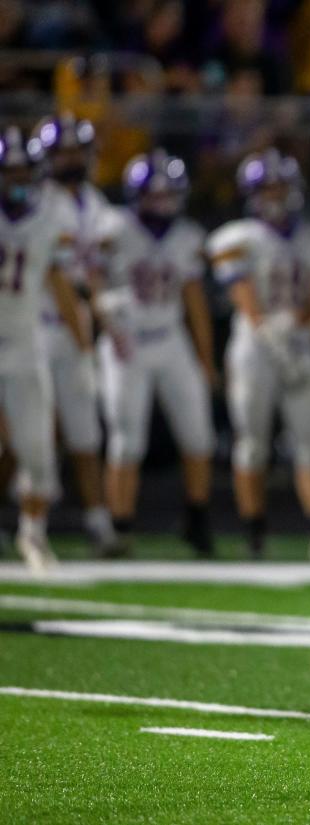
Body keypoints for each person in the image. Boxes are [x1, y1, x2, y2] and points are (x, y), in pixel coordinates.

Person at [207, 148, 310, 561]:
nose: (274, 194)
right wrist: (270, 331)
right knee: (251, 442)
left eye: (280, 186)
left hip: (299, 340)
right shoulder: (237, 237)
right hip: (255, 345)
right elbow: (244, 298)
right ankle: (254, 530)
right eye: (266, 187)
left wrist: (300, 325)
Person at [94, 149, 216, 557]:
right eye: (154, 194)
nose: (162, 203)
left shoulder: (187, 236)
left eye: (169, 194)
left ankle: (197, 520)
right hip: (125, 341)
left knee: (198, 434)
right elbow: (89, 277)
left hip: (170, 336)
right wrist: (102, 308)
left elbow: (195, 301)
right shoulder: (113, 228)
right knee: (126, 438)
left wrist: (206, 358)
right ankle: (120, 525)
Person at [0, 126, 90, 572]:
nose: (15, 179)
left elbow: (63, 290)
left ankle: (32, 533)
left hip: (23, 343)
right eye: (8, 170)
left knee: (37, 448)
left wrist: (83, 348)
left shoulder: (49, 224)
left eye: (22, 170)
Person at [34, 113, 118, 555]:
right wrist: (86, 333)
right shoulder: (39, 204)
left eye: (76, 151)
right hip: (38, 328)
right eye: (62, 152)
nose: (71, 160)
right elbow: (59, 279)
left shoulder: (95, 203)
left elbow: (94, 274)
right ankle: (33, 522)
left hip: (76, 328)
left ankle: (98, 521)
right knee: (29, 435)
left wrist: (103, 316)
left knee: (86, 433)